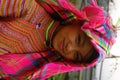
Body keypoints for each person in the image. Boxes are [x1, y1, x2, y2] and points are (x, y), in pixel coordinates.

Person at [0, 0, 117, 80]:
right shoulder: (29, 9)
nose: (70, 48)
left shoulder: (36, 67)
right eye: (79, 39)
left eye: (76, 55)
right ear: (78, 22)